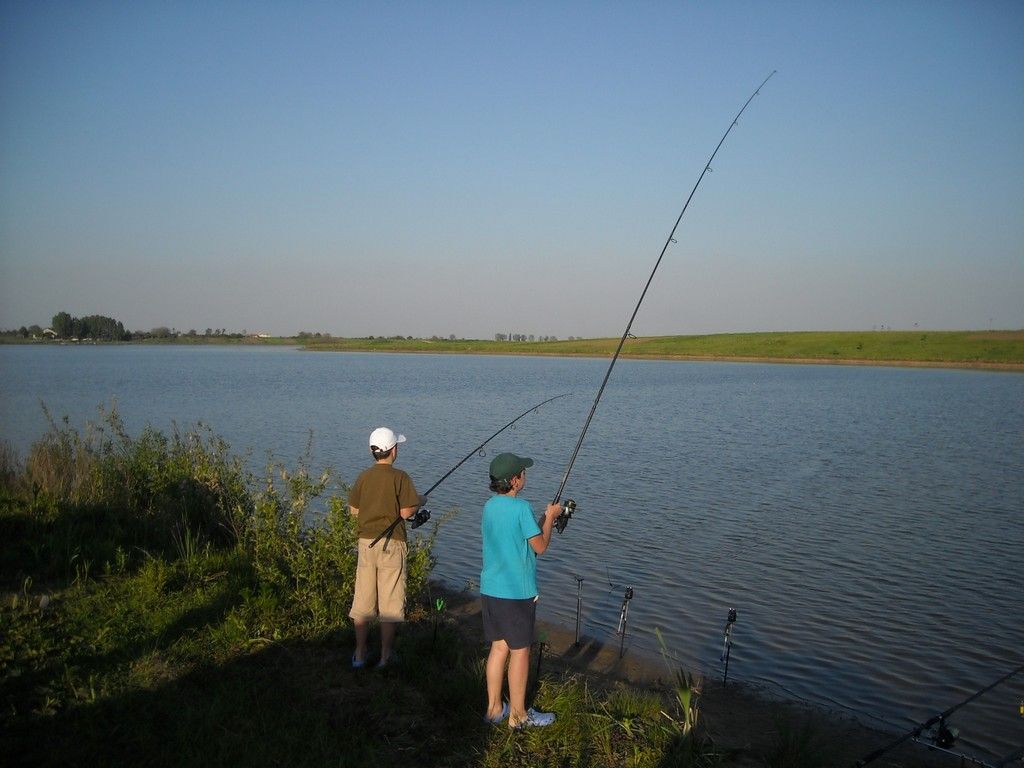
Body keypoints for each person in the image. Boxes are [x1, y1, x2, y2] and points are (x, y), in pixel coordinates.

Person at [480, 451, 562, 729]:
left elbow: (515, 539)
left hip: (490, 589)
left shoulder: (489, 506)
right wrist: (550, 517)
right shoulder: (522, 508)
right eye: (523, 473)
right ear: (514, 480)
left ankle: (494, 710)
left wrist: (542, 520)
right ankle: (518, 716)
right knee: (520, 651)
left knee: (498, 648)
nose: (525, 476)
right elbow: (540, 547)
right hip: (516, 593)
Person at [348, 426, 422, 669]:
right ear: (393, 450)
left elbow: (354, 510)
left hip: (366, 544)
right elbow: (406, 512)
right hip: (393, 544)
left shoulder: (364, 477)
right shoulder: (400, 477)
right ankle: (385, 656)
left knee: (363, 600)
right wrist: (419, 502)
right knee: (390, 603)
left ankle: (359, 654)